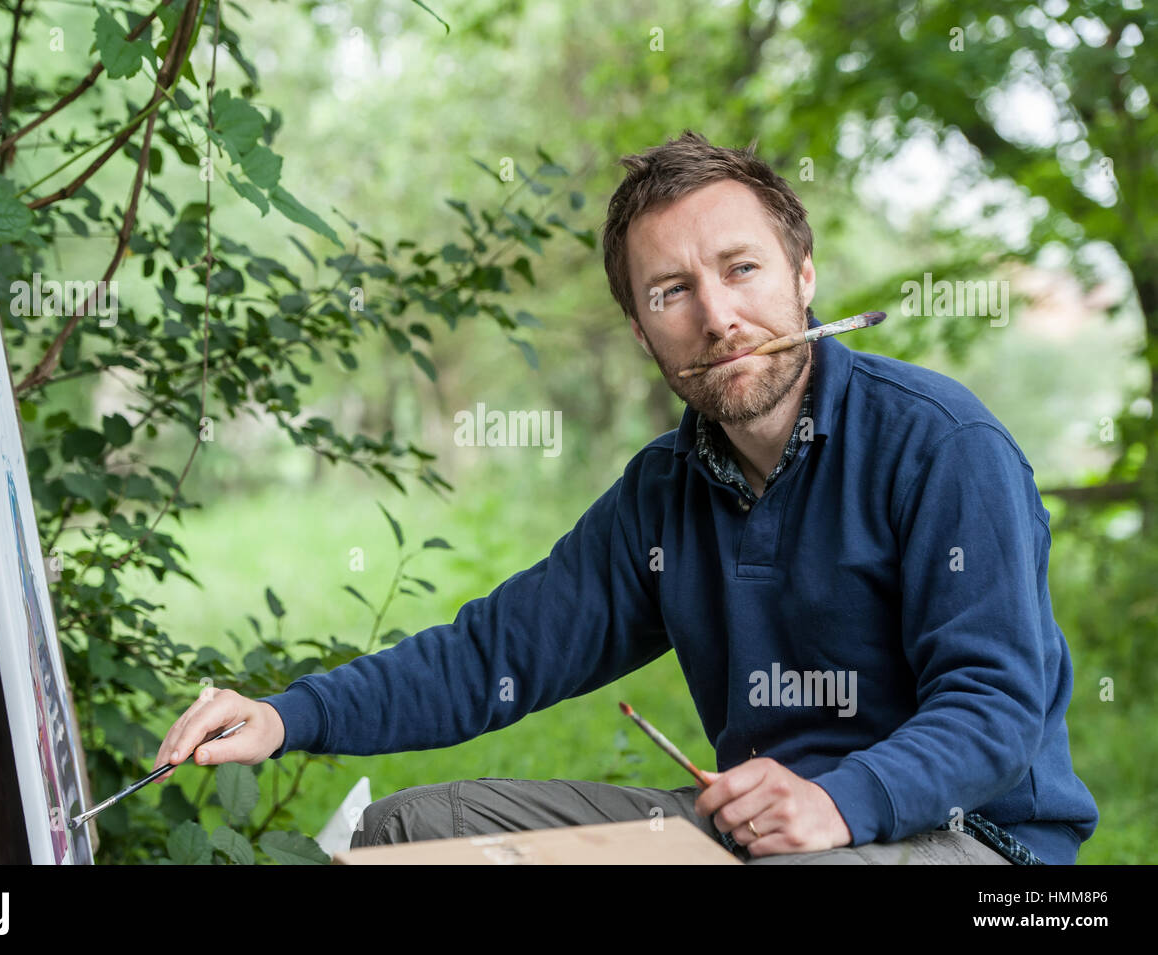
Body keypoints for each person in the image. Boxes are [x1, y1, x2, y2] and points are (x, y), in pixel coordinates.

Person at [153, 130, 1098, 864]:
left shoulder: (941, 444)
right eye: (670, 291)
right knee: (415, 832)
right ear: (644, 333)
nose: (718, 317)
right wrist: (289, 716)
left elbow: (993, 710)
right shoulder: (666, 491)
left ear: (804, 278)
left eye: (742, 269)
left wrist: (835, 801)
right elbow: (499, 651)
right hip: (756, 840)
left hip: (975, 844)